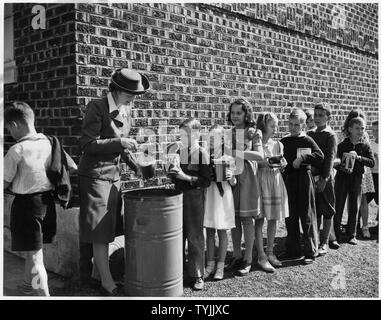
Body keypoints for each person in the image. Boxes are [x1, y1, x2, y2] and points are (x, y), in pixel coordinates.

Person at [78, 68, 149, 296]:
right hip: (95, 177)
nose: (133, 97)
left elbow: (123, 147)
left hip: (114, 178)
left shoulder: (126, 110)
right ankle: (107, 284)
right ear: (117, 89)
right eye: (130, 93)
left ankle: (95, 276)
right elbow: (88, 145)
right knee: (99, 232)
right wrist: (120, 143)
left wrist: (135, 166)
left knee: (108, 231)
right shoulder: (96, 107)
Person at [3, 101, 76, 296]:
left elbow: (3, 182)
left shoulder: (16, 150)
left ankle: (44, 297)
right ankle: (28, 287)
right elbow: (72, 167)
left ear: (15, 125)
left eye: (8, 129)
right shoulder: (51, 143)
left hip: (26, 207)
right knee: (34, 252)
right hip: (48, 204)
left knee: (36, 260)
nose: (9, 133)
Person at [227, 99, 274, 275]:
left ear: (247, 114)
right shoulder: (229, 133)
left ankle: (248, 259)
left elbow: (260, 155)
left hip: (248, 179)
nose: (235, 116)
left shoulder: (254, 132)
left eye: (239, 113)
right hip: (231, 178)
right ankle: (237, 256)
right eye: (233, 113)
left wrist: (236, 153)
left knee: (247, 219)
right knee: (234, 219)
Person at [171, 118, 211, 290]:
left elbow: (206, 181)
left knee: (195, 236)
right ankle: (177, 272)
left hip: (195, 197)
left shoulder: (202, 153)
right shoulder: (179, 152)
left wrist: (185, 177)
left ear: (197, 134)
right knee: (177, 235)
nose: (183, 137)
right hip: (178, 197)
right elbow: (175, 176)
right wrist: (171, 172)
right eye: (181, 134)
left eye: (186, 133)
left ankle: (198, 274)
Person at [280, 108, 324, 264]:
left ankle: (310, 252)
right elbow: (281, 158)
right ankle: (292, 249)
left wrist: (303, 158)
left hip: (304, 180)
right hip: (289, 180)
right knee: (290, 216)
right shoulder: (284, 141)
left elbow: (320, 155)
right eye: (291, 124)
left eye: (297, 125)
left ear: (304, 125)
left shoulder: (307, 140)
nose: (293, 128)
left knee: (306, 215)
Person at [333, 116, 375, 245]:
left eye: (362, 128)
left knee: (354, 206)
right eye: (357, 128)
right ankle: (336, 233)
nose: (360, 131)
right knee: (339, 205)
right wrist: (340, 163)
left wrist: (359, 158)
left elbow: (372, 162)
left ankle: (352, 234)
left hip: (357, 179)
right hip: (342, 178)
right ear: (350, 129)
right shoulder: (342, 145)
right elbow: (335, 161)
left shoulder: (365, 146)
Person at [203, 125, 236, 281]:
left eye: (215, 138)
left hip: (223, 196)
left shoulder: (228, 157)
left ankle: (220, 266)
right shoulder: (204, 157)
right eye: (210, 138)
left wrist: (231, 176)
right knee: (209, 231)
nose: (212, 141)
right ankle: (209, 264)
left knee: (222, 230)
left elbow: (235, 182)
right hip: (209, 194)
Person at [256, 112, 289, 269]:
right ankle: (260, 254)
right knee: (259, 218)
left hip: (275, 180)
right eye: (272, 125)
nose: (275, 128)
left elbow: (282, 161)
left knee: (273, 218)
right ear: (263, 126)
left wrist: (283, 164)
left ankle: (270, 251)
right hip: (260, 180)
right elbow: (253, 163)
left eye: (276, 125)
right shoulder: (255, 143)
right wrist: (264, 163)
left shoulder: (278, 144)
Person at [307, 103, 338, 255]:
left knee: (327, 209)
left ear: (328, 117)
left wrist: (324, 178)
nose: (317, 118)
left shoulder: (330, 135)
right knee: (315, 209)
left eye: (321, 115)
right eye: (315, 115)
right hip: (312, 176)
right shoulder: (310, 134)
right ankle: (316, 239)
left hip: (325, 177)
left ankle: (325, 242)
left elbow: (330, 158)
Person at [368, 121, 379, 234]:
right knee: (365, 199)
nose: (375, 132)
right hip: (371, 175)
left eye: (377, 130)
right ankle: (358, 223)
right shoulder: (371, 144)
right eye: (373, 130)